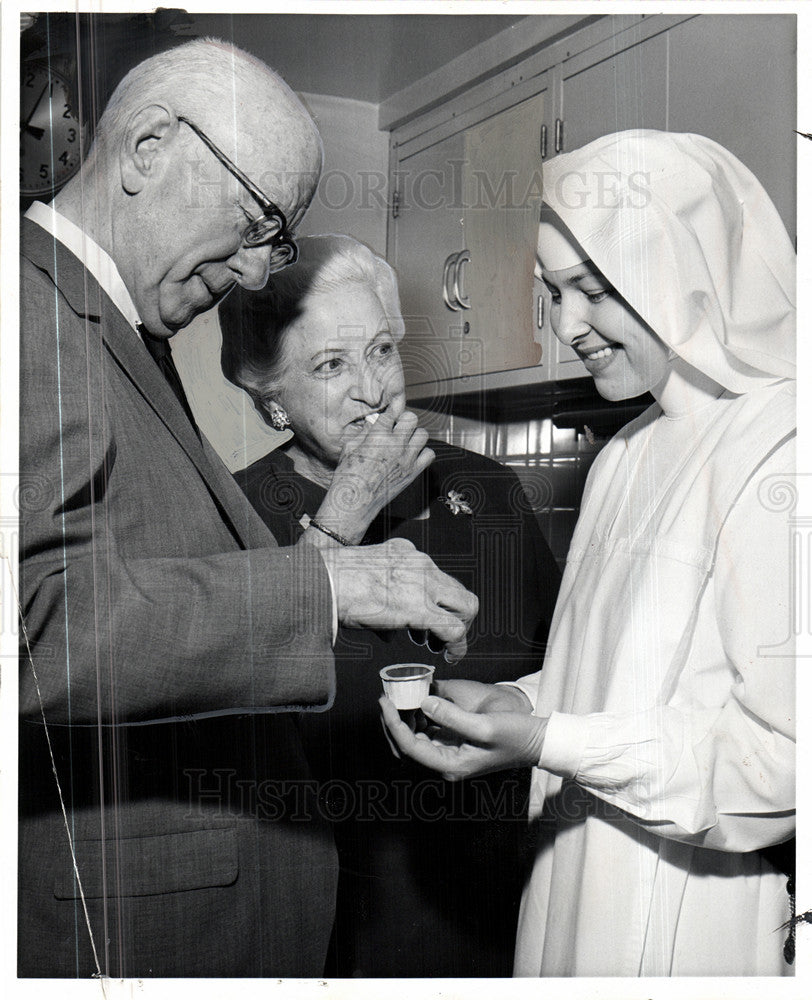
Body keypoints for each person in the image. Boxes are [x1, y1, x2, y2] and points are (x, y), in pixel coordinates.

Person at [18, 39, 477, 979]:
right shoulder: (29, 314)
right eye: (263, 220)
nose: (266, 273)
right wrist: (324, 582)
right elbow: (31, 627)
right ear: (149, 149)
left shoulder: (108, 329)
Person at [382, 130, 796, 977]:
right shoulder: (627, 451)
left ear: (683, 271)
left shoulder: (782, 448)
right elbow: (612, 680)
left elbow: (778, 765)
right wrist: (514, 702)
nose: (565, 325)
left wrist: (545, 740)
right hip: (567, 873)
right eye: (552, 291)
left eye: (593, 291)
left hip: (687, 910)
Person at [218, 234, 560, 977]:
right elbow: (231, 724)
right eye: (331, 365)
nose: (373, 390)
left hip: (499, 894)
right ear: (266, 391)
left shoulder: (490, 493)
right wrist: (345, 511)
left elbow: (562, 678)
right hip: (330, 910)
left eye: (380, 351)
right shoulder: (234, 516)